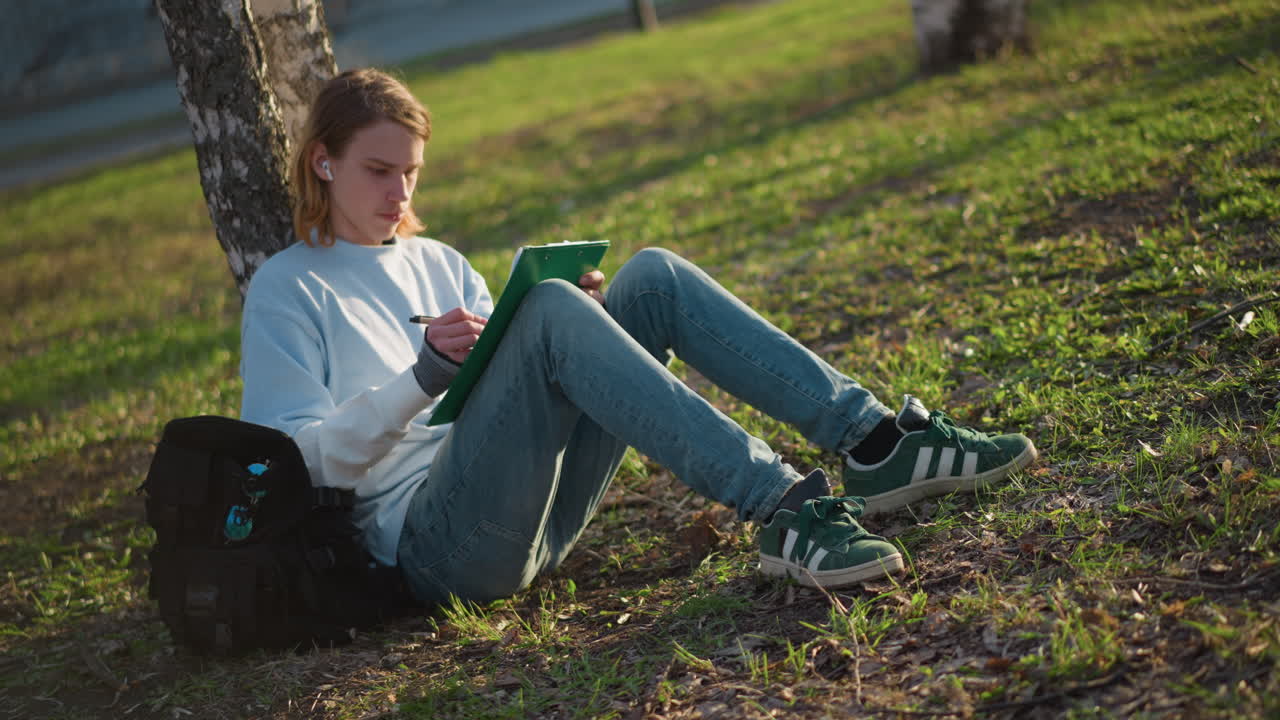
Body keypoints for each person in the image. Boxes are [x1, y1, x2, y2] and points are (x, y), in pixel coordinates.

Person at [239, 68, 1037, 608]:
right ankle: (784, 510)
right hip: (439, 550)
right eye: (378, 170)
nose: (400, 190)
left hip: (535, 513)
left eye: (411, 171)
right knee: (550, 313)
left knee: (647, 279)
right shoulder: (287, 289)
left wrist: (580, 326)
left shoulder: (439, 261)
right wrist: (421, 375)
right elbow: (298, 464)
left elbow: (496, 396)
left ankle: (874, 442)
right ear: (322, 163)